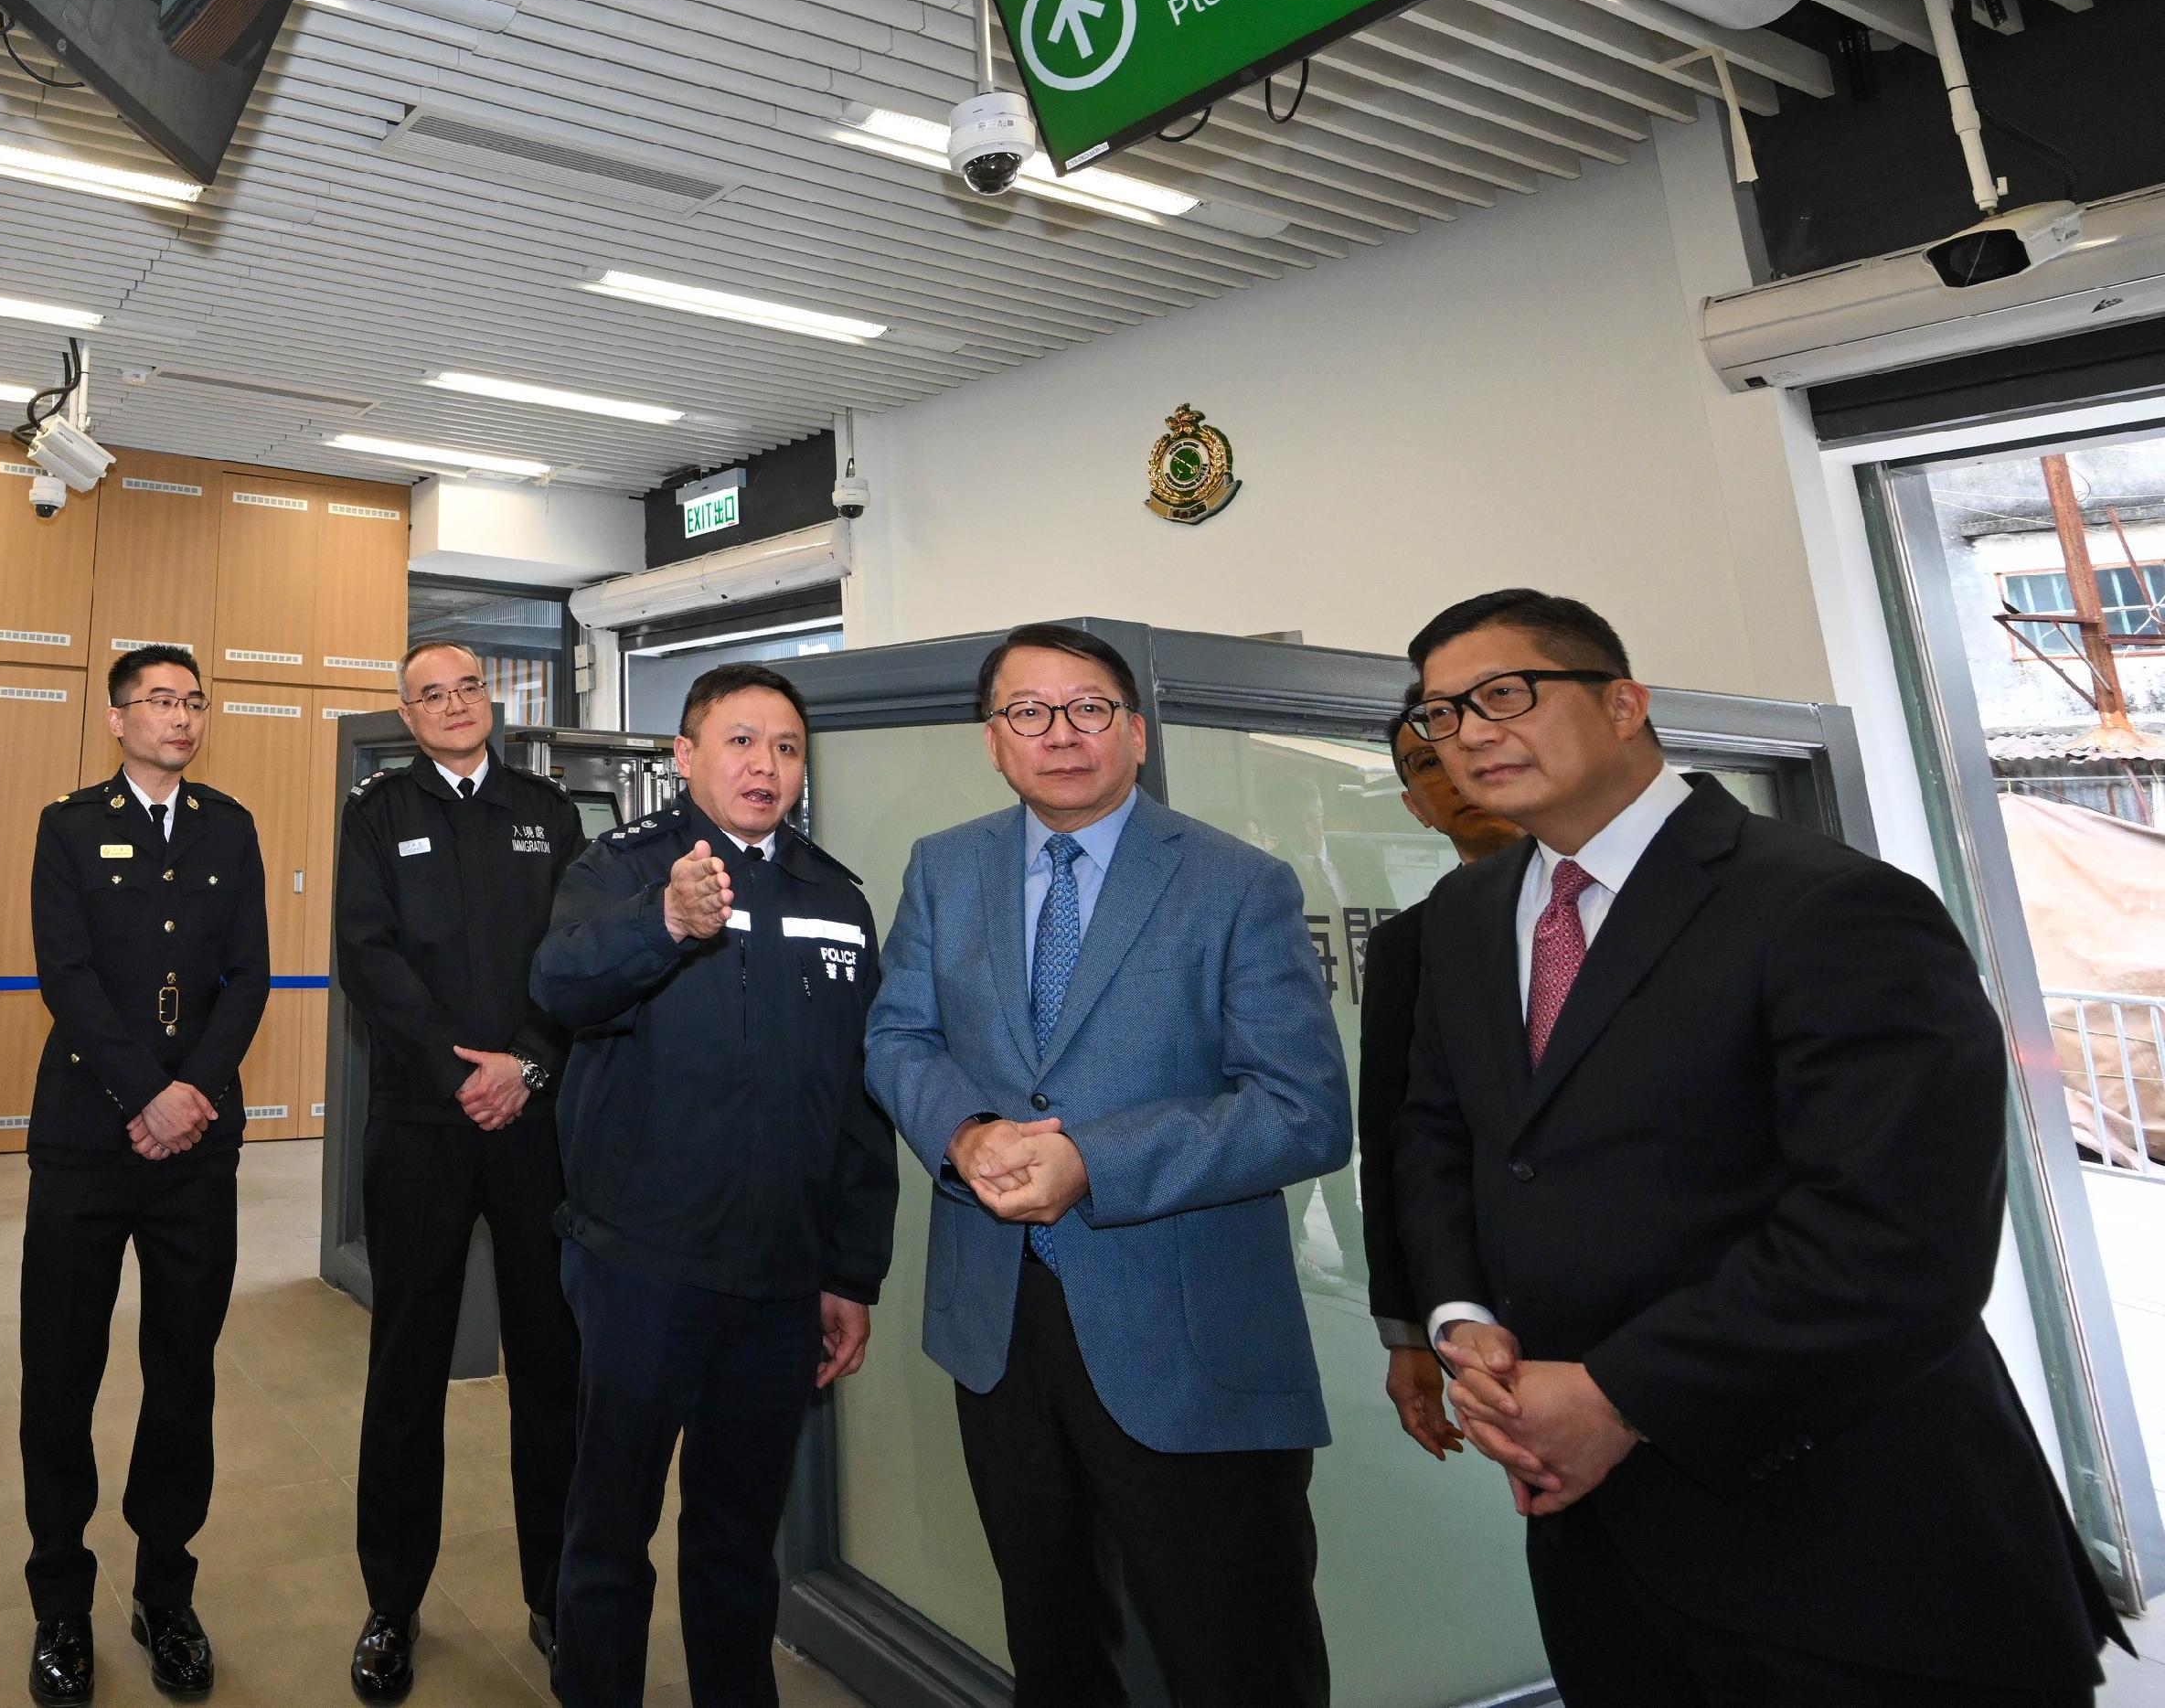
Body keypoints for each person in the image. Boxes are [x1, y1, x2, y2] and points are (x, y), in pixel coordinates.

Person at [1393, 588, 2117, 1707]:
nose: (1472, 732)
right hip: (1601, 1548)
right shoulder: (1466, 915)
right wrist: (1461, 1319)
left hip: (1849, 1538)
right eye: (1440, 716)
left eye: (1506, 694)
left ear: (1624, 703)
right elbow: (1441, 1135)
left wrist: (1621, 1396)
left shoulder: (1830, 905)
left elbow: (1895, 1238)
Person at [865, 622, 1351, 1708]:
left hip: (1186, 1332)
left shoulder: (1237, 884)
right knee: (1053, 1641)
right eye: (1027, 713)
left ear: (1134, 731)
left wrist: (1095, 1160)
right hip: (998, 1329)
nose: (1060, 735)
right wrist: (962, 1133)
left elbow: (1304, 1111)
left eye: (1087, 708)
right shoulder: (945, 869)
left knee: (1233, 1653)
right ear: (994, 741)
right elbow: (897, 1038)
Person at [529, 663, 894, 1708]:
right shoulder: (620, 870)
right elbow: (558, 982)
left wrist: (849, 1272)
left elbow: (858, 1108)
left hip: (779, 1283)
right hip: (642, 1265)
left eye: (784, 747)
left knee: (737, 1540)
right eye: (739, 742)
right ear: (686, 757)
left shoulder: (833, 897)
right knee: (610, 1531)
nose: (763, 766)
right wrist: (667, 922)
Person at [332, 638, 588, 1702]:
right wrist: (456, 1073)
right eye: (428, 694)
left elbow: (582, 953)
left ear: (492, 698)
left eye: (466, 687)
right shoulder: (378, 814)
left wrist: (525, 1065)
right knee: (405, 1366)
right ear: (406, 713)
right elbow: (368, 958)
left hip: (538, 1123)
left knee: (553, 1366)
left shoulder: (549, 810)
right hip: (422, 1122)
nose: (451, 705)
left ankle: (557, 1594)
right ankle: (392, 1605)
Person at [19, 646, 271, 1705]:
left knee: (182, 1374)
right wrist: (143, 1094)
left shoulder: (230, 825)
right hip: (87, 1138)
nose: (181, 715)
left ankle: (164, 1591)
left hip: (196, 1147)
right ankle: (62, 1607)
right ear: (117, 718)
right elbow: (65, 976)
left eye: (193, 700)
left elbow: (247, 974)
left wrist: (194, 1094)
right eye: (160, 701)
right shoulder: (68, 825)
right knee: (63, 1374)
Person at [1359, 711, 1522, 1460]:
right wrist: (1408, 1326)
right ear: (1414, 807)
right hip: (1487, 1303)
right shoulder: (1409, 945)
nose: (1454, 771)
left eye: (1467, 747)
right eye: (1426, 764)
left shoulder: (1631, 906)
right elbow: (1396, 1136)